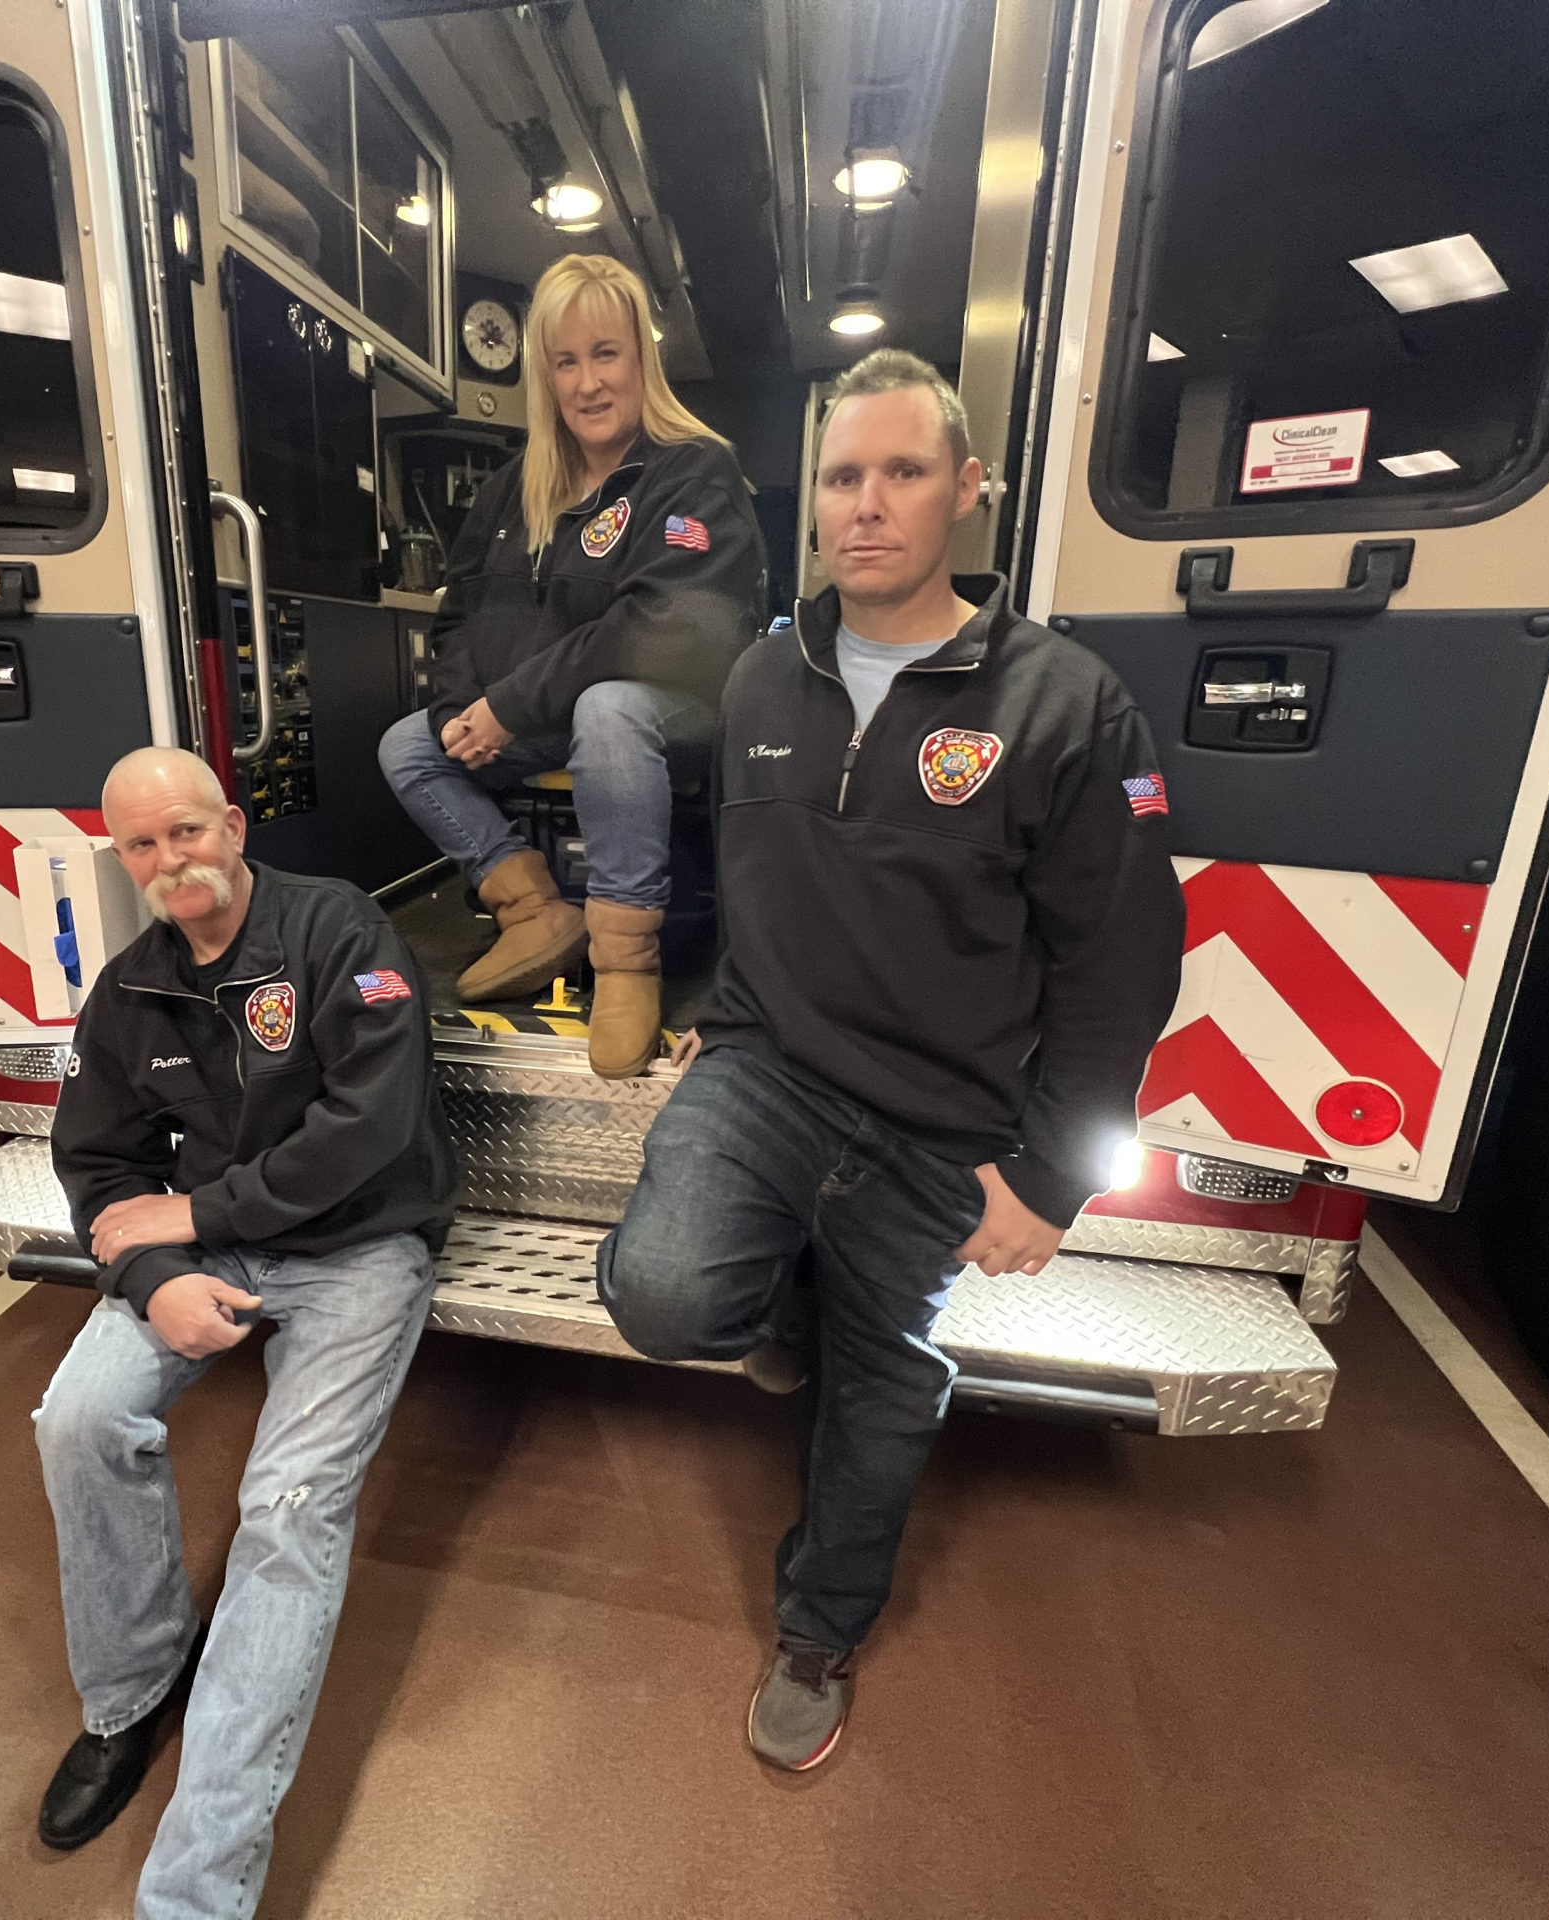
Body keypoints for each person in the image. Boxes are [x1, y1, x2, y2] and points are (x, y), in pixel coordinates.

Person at [596, 350, 1185, 1771]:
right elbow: (750, 879)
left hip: (945, 1119)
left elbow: (1123, 962)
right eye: (846, 477)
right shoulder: (757, 678)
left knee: (881, 1388)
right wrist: (716, 1015)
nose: (869, 505)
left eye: (904, 472)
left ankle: (819, 1627)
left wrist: (1049, 1176)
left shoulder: (1066, 705)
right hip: (769, 1069)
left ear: (966, 491)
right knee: (666, 1295)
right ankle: (781, 1287)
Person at [32, 746, 456, 1918]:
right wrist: (158, 1275)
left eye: (187, 833)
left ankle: (196, 1896)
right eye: (142, 846)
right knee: (76, 1419)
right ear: (120, 859)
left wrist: (200, 1211)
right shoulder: (130, 990)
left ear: (230, 826)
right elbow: (99, 1167)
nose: (172, 863)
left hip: (365, 1243)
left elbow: (370, 1126)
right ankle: (128, 1699)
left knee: (284, 1513)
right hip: (208, 1249)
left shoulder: (341, 935)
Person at [376, 252, 763, 1078]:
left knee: (611, 710)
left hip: (676, 718)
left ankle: (626, 961)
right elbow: (458, 618)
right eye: (566, 361)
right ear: (545, 376)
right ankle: (533, 910)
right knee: (409, 745)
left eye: (606, 354)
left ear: (640, 360)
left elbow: (664, 627)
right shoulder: (515, 490)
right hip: (549, 714)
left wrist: (510, 706)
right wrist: (457, 713)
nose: (588, 382)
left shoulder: (694, 470)